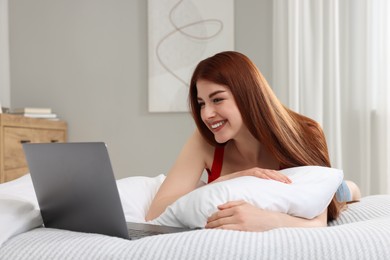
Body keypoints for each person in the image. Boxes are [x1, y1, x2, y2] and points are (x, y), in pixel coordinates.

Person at [146, 51, 361, 231]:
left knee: (342, 194)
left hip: (332, 194)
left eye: (217, 99)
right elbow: (155, 213)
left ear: (247, 95)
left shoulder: (306, 133)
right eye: (202, 103)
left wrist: (268, 221)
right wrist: (235, 178)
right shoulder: (204, 142)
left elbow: (318, 222)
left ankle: (346, 187)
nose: (206, 114)